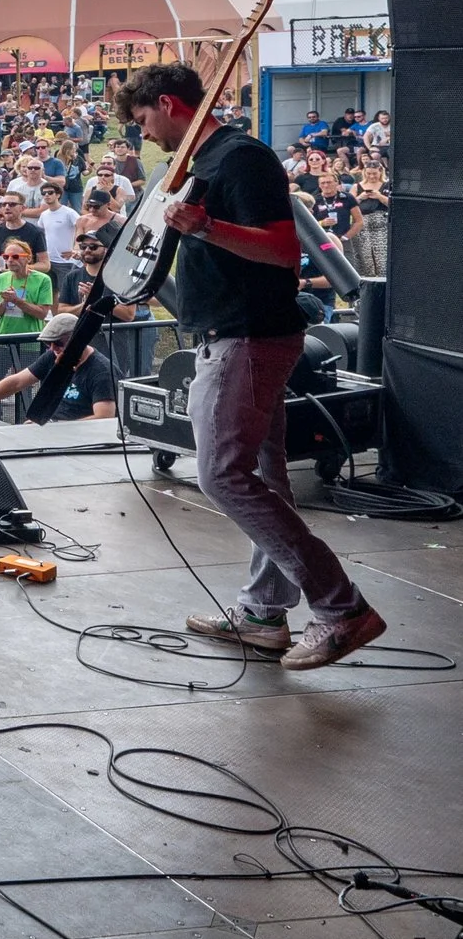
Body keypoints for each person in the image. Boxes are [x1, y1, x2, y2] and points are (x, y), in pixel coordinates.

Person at [116, 61, 382, 669]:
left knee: (223, 476)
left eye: (143, 119)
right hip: (235, 334)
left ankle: (342, 609)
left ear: (169, 103)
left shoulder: (240, 159)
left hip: (247, 337)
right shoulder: (197, 164)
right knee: (265, 475)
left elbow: (285, 252)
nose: (144, 134)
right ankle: (264, 613)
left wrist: (206, 225)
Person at [0, 310, 114, 421]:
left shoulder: (101, 371)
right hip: (52, 427)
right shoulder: (53, 356)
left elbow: (104, 417)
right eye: (48, 344)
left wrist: (55, 427)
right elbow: (16, 382)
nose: (53, 349)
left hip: (81, 438)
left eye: (58, 343)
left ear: (79, 340)